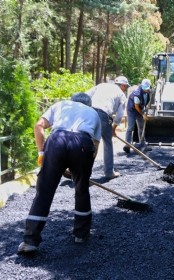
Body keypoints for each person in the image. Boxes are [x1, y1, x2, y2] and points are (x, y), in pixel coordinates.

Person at [17, 93, 102, 254]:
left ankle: (30, 241)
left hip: (57, 140)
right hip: (83, 144)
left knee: (44, 191)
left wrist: (42, 153)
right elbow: (94, 147)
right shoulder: (94, 114)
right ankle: (81, 234)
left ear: (72, 100)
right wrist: (82, 173)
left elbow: (39, 126)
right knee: (81, 190)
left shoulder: (62, 105)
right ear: (89, 104)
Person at [86, 76, 128, 180]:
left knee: (87, 141)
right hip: (102, 115)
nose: (126, 89)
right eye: (126, 87)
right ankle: (109, 172)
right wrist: (113, 128)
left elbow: (86, 96)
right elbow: (119, 115)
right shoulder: (121, 94)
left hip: (88, 113)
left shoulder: (102, 85)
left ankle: (78, 170)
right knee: (107, 142)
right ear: (122, 85)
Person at [124, 78, 152, 153]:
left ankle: (142, 144)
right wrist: (143, 114)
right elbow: (136, 106)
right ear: (142, 86)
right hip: (132, 110)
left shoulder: (148, 91)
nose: (146, 89)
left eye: (147, 88)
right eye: (144, 88)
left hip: (140, 108)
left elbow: (146, 102)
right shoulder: (137, 93)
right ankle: (127, 145)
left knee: (141, 126)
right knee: (130, 127)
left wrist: (145, 110)